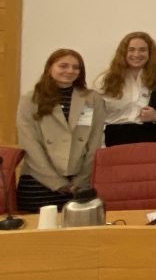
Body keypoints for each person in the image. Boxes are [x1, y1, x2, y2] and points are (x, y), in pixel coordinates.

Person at [15, 49, 105, 213]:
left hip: (78, 182)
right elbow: (30, 144)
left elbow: (94, 142)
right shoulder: (31, 99)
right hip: (39, 180)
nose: (70, 71)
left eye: (75, 67)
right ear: (50, 67)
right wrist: (57, 182)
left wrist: (81, 180)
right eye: (63, 66)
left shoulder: (92, 99)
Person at [95, 31, 156, 146]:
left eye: (142, 50)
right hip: (116, 139)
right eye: (131, 50)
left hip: (154, 138)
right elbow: (95, 116)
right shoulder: (105, 81)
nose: (136, 54)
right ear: (123, 53)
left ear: (150, 53)